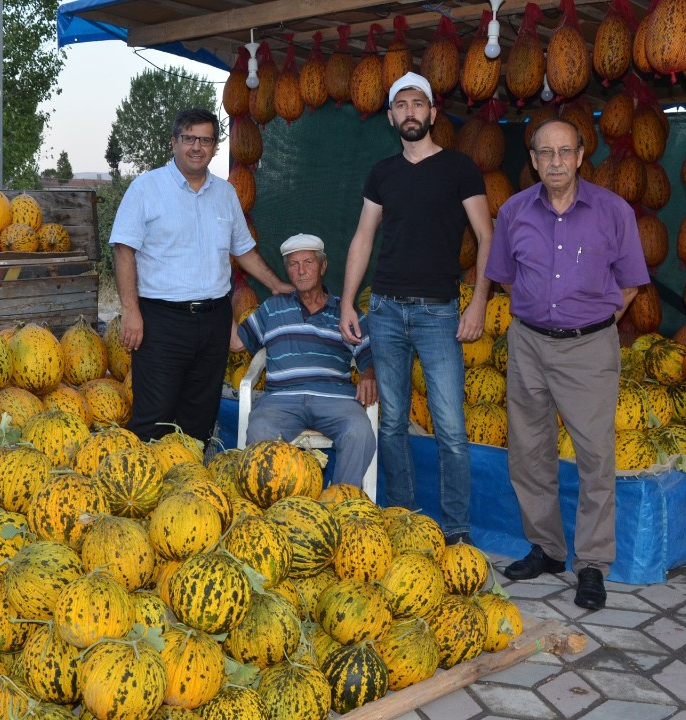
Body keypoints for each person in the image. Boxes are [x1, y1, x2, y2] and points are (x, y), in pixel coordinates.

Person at [486, 118, 649, 610]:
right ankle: (549, 549)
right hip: (529, 345)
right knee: (528, 450)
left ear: (581, 156)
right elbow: (508, 280)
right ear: (533, 160)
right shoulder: (514, 212)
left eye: (565, 151)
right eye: (545, 153)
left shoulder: (612, 211)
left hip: (588, 348)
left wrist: (591, 324)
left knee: (595, 457)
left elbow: (631, 283)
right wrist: (542, 318)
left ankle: (593, 564)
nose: (555, 161)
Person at [339, 72, 493, 546]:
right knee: (391, 421)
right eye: (401, 105)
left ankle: (455, 532)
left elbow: (488, 237)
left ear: (432, 113)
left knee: (450, 428)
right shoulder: (382, 172)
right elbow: (364, 237)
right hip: (384, 311)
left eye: (417, 104)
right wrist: (348, 301)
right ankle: (402, 522)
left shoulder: (460, 168)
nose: (410, 112)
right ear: (391, 117)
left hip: (438, 314)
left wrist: (479, 304)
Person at [111, 108, 293, 444]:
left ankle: (190, 488)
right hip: (160, 321)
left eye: (206, 140)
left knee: (200, 416)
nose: (197, 146)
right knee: (155, 416)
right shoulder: (146, 189)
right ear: (174, 142)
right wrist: (131, 311)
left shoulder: (225, 194)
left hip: (213, 320)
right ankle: (142, 489)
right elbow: (124, 250)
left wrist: (276, 284)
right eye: (189, 138)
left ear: (214, 146)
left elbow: (244, 251)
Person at [231, 234, 378, 488]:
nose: (301, 271)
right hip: (281, 400)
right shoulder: (272, 308)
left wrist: (368, 374)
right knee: (260, 430)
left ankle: (340, 504)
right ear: (286, 270)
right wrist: (216, 297)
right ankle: (275, 509)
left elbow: (370, 355)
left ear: (323, 266)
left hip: (334, 400)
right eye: (293, 264)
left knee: (360, 432)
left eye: (308, 262)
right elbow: (236, 343)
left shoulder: (344, 311)